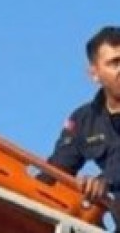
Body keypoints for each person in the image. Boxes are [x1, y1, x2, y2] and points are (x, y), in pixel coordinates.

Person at [47, 26, 120, 207]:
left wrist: (106, 180)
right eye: (115, 63)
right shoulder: (84, 120)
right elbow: (56, 172)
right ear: (94, 74)